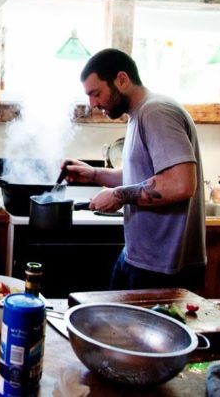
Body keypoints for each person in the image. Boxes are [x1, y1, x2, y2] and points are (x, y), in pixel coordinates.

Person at [63, 48, 206, 292]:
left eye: (96, 93)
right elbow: (144, 177)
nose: (93, 104)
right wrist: (95, 174)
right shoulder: (139, 114)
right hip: (141, 257)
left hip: (162, 269)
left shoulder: (156, 112)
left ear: (122, 80)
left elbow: (180, 184)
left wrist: (119, 195)